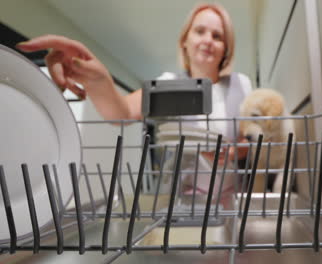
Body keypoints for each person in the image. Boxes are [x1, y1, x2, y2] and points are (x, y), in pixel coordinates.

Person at [17, 3, 251, 197]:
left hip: (230, 202)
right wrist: (98, 80)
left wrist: (232, 152)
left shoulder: (241, 85)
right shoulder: (169, 84)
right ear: (185, 41)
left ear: (226, 48)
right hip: (178, 204)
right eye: (200, 31)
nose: (208, 40)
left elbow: (248, 144)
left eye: (217, 36)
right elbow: (123, 113)